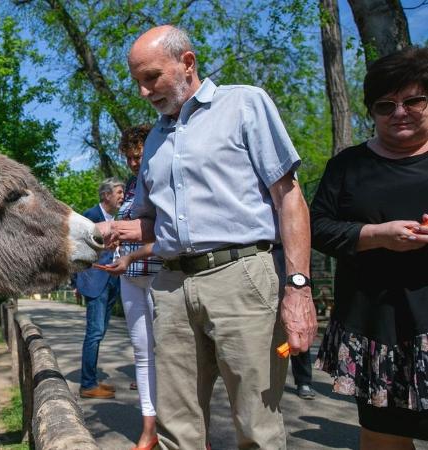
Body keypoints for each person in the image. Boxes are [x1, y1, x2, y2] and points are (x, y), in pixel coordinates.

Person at [104, 25, 317, 449]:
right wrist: (103, 230)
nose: (144, 92)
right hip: (169, 287)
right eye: (137, 82)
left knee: (257, 427)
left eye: (151, 78)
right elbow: (153, 223)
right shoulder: (155, 140)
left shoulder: (244, 104)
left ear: (187, 62)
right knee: (175, 429)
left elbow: (289, 199)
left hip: (241, 278)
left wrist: (298, 288)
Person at [311, 46, 428, 449]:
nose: (400, 112)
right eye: (385, 105)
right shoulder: (347, 165)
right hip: (374, 326)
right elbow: (317, 228)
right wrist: (376, 236)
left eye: (413, 100)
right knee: (384, 434)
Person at [96, 125, 162, 450]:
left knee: (174, 355)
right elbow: (129, 231)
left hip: (161, 275)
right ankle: (149, 427)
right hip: (129, 276)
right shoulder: (133, 185)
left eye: (139, 156)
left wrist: (132, 251)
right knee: (142, 353)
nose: (134, 162)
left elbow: (170, 236)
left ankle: (189, 430)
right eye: (130, 157)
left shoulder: (162, 180)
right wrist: (115, 248)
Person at [73, 178, 124, 399]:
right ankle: (87, 385)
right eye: (119, 192)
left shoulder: (116, 218)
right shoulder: (90, 216)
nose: (122, 196)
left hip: (113, 280)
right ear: (106, 195)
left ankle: (92, 379)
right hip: (96, 281)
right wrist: (77, 283)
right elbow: (77, 250)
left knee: (100, 332)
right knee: (94, 333)